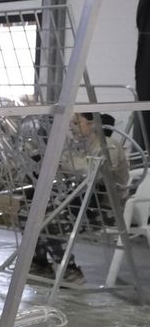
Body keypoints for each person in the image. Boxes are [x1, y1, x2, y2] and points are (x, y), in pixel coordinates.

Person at [30, 112, 132, 283]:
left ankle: (70, 271)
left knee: (51, 219)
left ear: (92, 124)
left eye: (76, 123)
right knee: (29, 212)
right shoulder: (83, 147)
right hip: (85, 204)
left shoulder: (109, 147)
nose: (71, 127)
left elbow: (91, 171)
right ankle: (40, 263)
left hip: (107, 209)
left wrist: (62, 162)